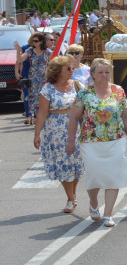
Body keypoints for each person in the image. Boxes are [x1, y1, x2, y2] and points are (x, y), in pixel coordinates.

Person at [66, 58, 127, 227]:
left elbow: (126, 116)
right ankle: (93, 201)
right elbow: (74, 118)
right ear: (93, 74)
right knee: (94, 176)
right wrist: (70, 141)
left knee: (114, 177)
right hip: (91, 141)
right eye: (100, 72)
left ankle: (108, 214)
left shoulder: (118, 91)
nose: (104, 75)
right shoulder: (84, 94)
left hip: (116, 140)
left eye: (107, 72)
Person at [34, 55, 84, 213]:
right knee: (63, 164)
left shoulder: (77, 85)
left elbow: (87, 107)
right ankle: (70, 198)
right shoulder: (47, 88)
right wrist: (37, 135)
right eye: (68, 68)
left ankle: (73, 193)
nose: (71, 71)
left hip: (76, 129)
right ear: (57, 71)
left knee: (76, 164)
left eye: (72, 68)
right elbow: (42, 113)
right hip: (55, 132)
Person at [18, 32, 52, 125]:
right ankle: (36, 118)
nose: (34, 43)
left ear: (41, 42)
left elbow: (52, 64)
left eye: (36, 41)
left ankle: (43, 117)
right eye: (33, 41)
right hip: (33, 78)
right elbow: (20, 60)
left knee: (43, 97)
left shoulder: (47, 51)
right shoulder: (30, 50)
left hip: (44, 78)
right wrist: (18, 51)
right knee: (34, 97)